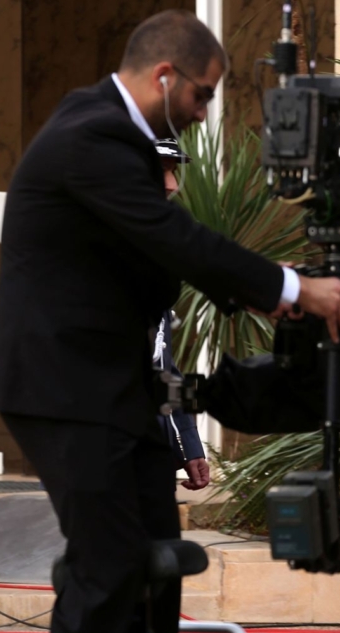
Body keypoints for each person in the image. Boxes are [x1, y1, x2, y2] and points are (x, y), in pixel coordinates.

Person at [0, 9, 340, 633]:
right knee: (108, 559)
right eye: (203, 94)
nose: (204, 113)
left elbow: (158, 253)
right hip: (60, 386)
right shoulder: (92, 134)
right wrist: (291, 287)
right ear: (165, 76)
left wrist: (264, 297)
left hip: (113, 388)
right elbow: (174, 238)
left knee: (156, 559)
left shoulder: (114, 134)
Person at [152, 137, 209, 491]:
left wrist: (189, 442)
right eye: (160, 170)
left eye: (173, 171)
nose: (172, 184)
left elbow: (165, 364)